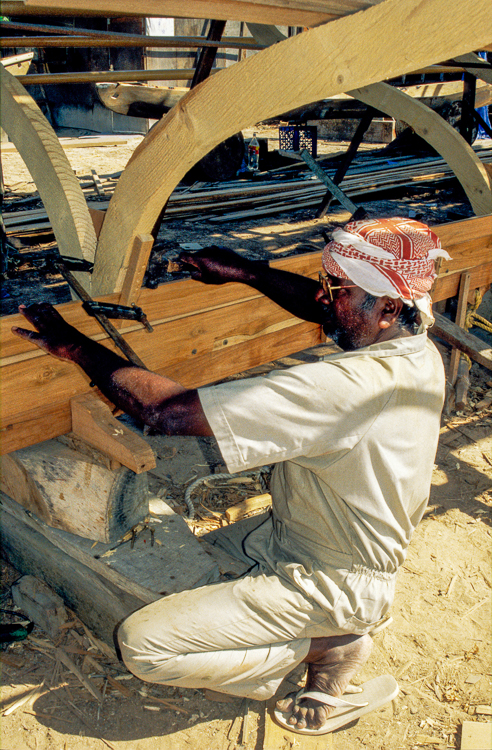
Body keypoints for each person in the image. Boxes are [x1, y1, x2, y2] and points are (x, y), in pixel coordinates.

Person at [12, 217, 449, 735]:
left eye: (339, 289)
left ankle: (329, 645)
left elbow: (165, 413)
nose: (325, 297)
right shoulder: (412, 344)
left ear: (388, 308)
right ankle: (320, 623)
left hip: (331, 578)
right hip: (319, 539)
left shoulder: (347, 387)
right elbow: (324, 305)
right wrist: (247, 271)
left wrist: (74, 345)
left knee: (143, 644)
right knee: (215, 558)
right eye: (329, 283)